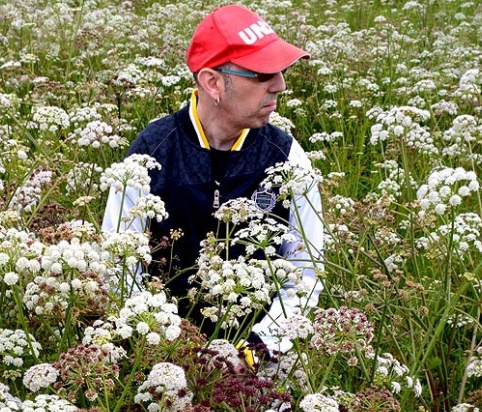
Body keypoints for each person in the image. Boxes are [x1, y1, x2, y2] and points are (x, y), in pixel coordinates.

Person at [102, 5, 323, 366]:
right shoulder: (150, 152)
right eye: (262, 73)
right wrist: (165, 349)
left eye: (280, 70)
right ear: (213, 83)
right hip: (162, 361)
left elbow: (305, 271)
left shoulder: (286, 156)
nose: (280, 84)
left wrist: (255, 353)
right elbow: (118, 268)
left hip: (261, 367)